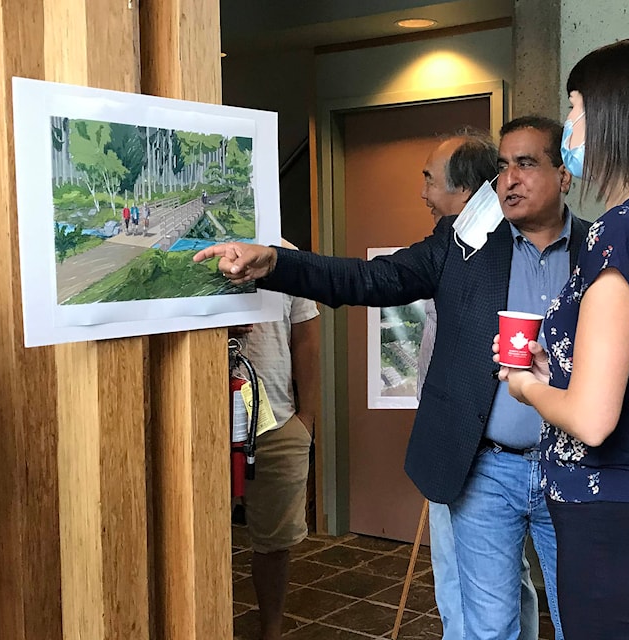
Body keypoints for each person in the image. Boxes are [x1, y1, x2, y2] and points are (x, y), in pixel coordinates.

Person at [195, 116, 590, 639]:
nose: (509, 179)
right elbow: (372, 279)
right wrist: (276, 263)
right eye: (502, 167)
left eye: (526, 164)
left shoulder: (600, 250)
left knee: (583, 621)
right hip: (488, 471)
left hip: (574, 468)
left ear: (564, 175)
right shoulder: (465, 244)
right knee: (489, 628)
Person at [494, 37, 629, 640]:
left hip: (619, 518)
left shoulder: (626, 231)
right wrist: (551, 364)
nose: (567, 129)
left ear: (614, 117)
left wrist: (526, 385)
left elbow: (591, 418)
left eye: (575, 110)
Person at [416, 130, 538, 640]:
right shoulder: (456, 243)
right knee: (499, 585)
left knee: (471, 586)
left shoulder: (490, 249)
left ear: (465, 192)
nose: (422, 192)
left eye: (428, 179)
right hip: (456, 445)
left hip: (487, 455)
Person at [231, 250, 320, 640]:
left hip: (277, 421)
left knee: (275, 542)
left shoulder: (286, 256)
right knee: (192, 536)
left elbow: (307, 339)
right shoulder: (190, 252)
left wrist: (308, 419)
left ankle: (272, 630)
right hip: (195, 425)